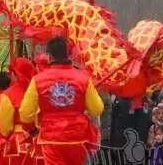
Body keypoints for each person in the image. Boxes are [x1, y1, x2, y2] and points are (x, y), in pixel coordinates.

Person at [19, 37, 104, 165]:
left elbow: (25, 114)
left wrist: (38, 118)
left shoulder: (38, 80)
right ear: (67, 54)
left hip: (51, 138)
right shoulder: (83, 78)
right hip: (78, 137)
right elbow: (97, 109)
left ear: (49, 56)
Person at [0, 58, 38, 165]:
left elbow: (5, 127)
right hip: (39, 139)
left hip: (19, 141)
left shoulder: (8, 95)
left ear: (15, 74)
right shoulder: (38, 88)